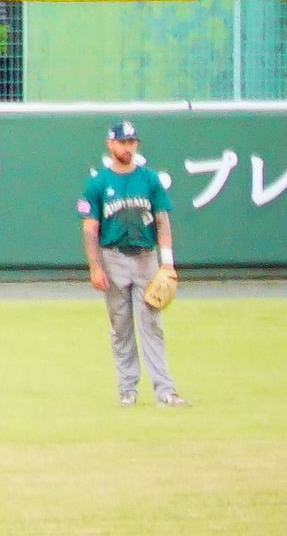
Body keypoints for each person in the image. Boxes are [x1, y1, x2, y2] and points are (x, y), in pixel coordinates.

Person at [78, 119, 186, 406]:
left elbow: (162, 221)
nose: (128, 147)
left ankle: (165, 390)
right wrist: (95, 266)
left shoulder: (149, 179)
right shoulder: (98, 183)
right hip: (112, 258)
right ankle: (127, 389)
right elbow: (90, 228)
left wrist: (167, 262)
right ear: (110, 144)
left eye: (132, 142)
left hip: (146, 258)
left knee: (151, 323)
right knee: (120, 326)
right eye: (123, 142)